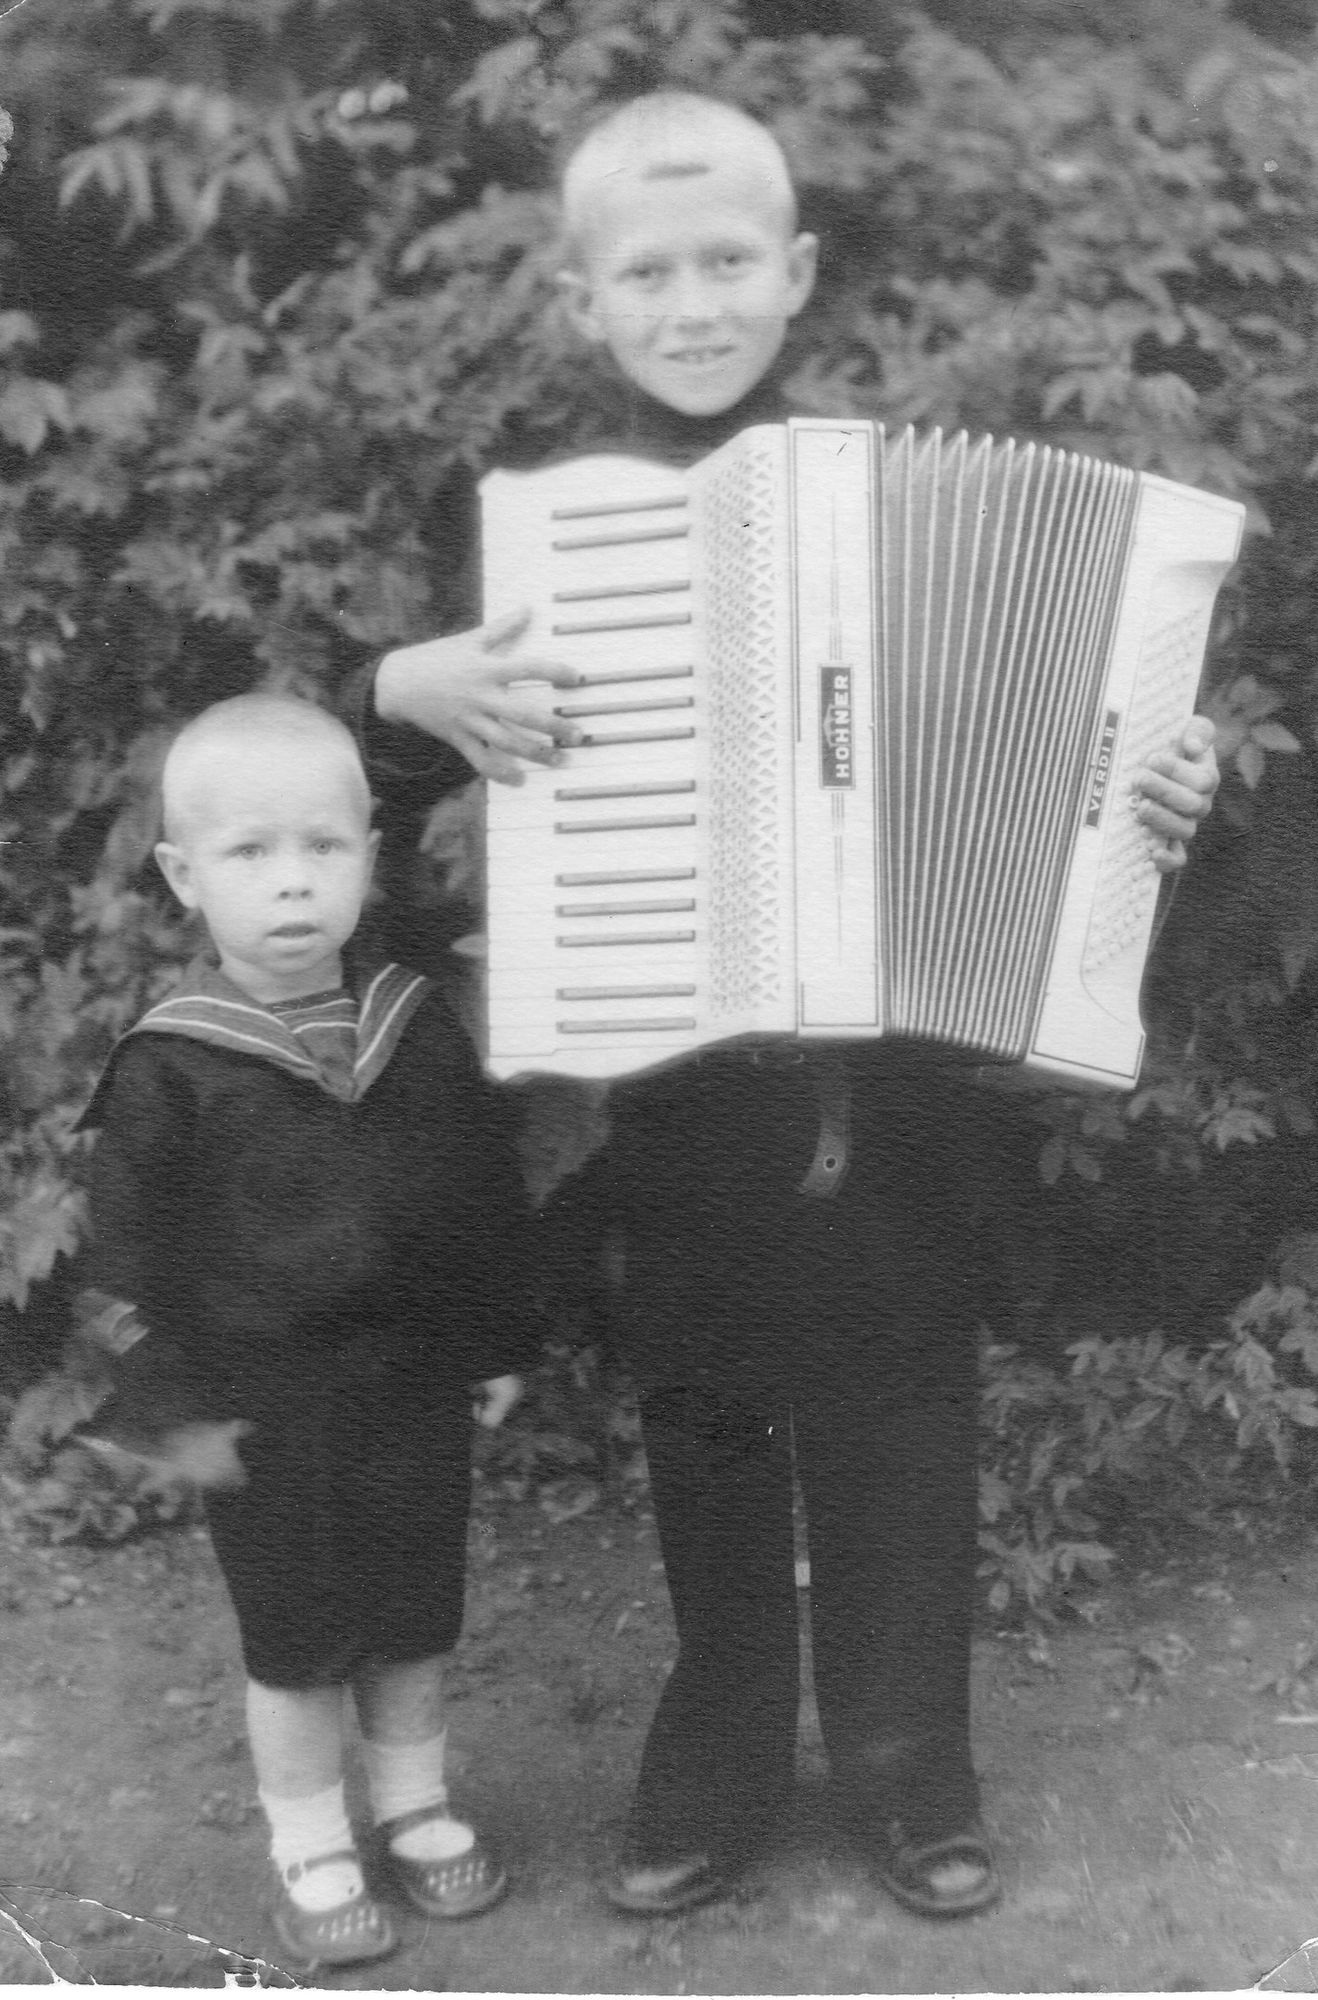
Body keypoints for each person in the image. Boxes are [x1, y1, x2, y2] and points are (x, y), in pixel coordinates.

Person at [354, 93, 1223, 1922]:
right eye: (647, 273)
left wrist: (1161, 787)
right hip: (681, 1082)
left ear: (797, 270)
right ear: (582, 298)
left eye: (727, 261)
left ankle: (913, 1775)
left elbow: (1091, 753)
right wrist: (399, 690)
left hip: (904, 1080)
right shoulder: (536, 521)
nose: (691, 303)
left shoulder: (889, 496)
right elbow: (365, 766)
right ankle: (720, 1768)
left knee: (906, 1426)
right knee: (711, 1429)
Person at [74, 695, 534, 1971]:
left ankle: (415, 1804)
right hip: (261, 1400)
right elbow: (124, 1263)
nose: (293, 881)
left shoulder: (414, 1024)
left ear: (369, 857)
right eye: (251, 851)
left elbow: (477, 1191)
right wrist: (169, 1408)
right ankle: (312, 1841)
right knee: (296, 1633)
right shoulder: (169, 1065)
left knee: (414, 1610)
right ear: (183, 875)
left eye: (323, 846)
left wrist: (494, 1338)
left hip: (409, 1381)